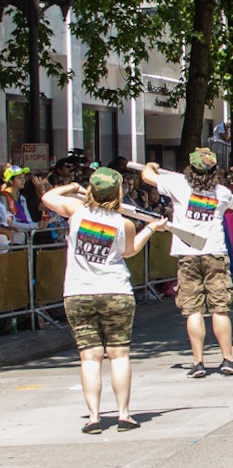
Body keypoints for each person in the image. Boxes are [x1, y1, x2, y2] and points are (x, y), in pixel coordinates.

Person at [46, 169, 159, 432]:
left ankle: (94, 417)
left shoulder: (76, 212)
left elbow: (49, 196)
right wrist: (152, 228)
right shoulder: (124, 223)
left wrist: (73, 187)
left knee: (89, 358)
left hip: (78, 291)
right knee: (119, 355)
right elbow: (130, 251)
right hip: (115, 290)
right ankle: (123, 414)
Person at [141, 149, 233, 378]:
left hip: (187, 254)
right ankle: (228, 358)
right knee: (220, 309)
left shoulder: (177, 184)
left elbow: (147, 176)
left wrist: (151, 165)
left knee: (194, 310)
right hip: (215, 253)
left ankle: (198, 362)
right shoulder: (221, 192)